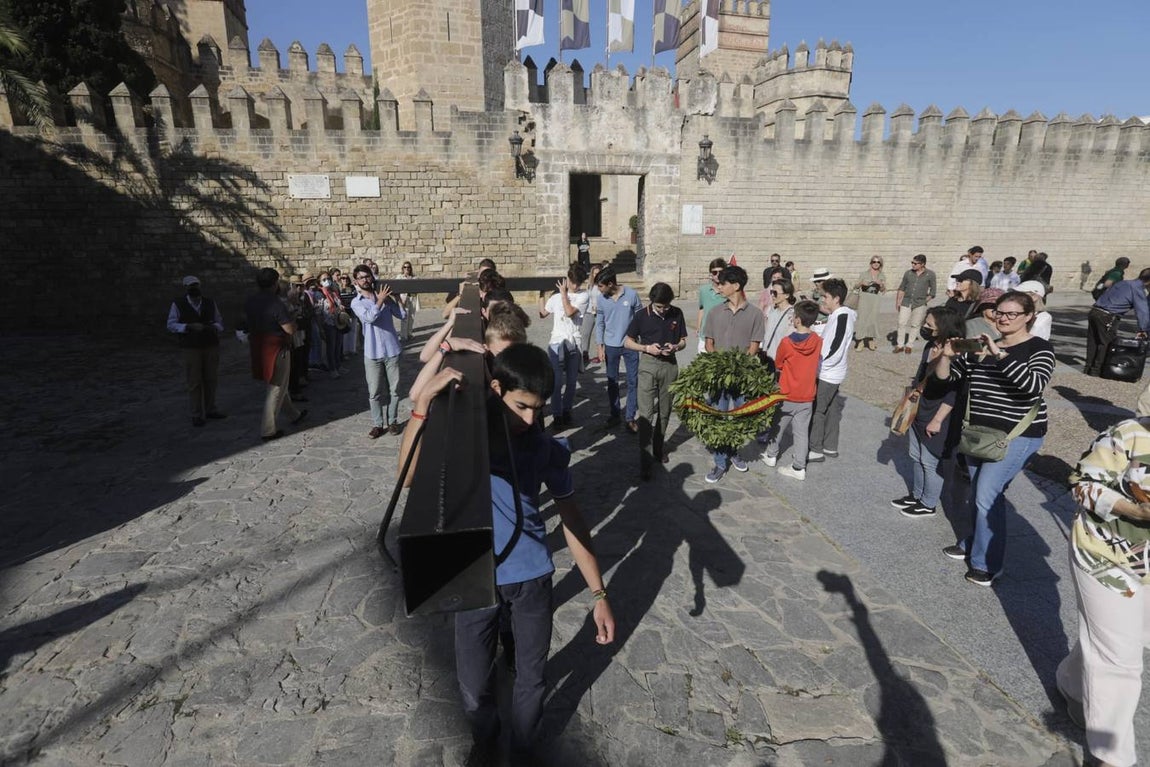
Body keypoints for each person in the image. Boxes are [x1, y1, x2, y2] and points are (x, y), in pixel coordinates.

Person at [398, 345, 615, 764]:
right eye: (521, 406)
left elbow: (572, 520)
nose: (531, 420)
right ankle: (485, 740)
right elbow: (407, 477)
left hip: (532, 579)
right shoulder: (464, 433)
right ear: (496, 389)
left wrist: (599, 595)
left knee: (532, 677)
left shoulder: (545, 448)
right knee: (473, 684)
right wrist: (423, 405)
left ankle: (519, 749)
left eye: (539, 409)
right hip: (474, 574)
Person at [935, 291, 1055, 585]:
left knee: (987, 494)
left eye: (1011, 314)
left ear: (1029, 317)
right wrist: (946, 357)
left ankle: (986, 563)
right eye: (999, 312)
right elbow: (947, 379)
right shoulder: (981, 346)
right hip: (980, 434)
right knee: (976, 492)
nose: (1003, 318)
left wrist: (999, 354)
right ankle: (973, 543)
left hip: (1018, 435)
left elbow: (1033, 386)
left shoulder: (1039, 349)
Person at [1056, 417, 1150, 767]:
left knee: (1120, 637)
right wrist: (1134, 509)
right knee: (1120, 660)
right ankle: (1112, 758)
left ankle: (1071, 682)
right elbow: (1080, 484)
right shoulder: (1130, 434)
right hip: (1104, 553)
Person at [890, 306, 965, 517]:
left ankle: (928, 503)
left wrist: (938, 420)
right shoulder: (930, 346)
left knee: (929, 461)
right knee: (916, 455)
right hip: (919, 409)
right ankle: (917, 495)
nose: (924, 327)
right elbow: (919, 375)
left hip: (938, 412)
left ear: (944, 327)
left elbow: (953, 392)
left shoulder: (958, 353)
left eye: (929, 325)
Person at [703, 265, 766, 483]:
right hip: (720, 377)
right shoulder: (714, 312)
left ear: (736, 286)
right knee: (720, 419)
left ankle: (735, 452)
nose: (718, 287)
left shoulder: (756, 314)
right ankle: (720, 462)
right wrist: (720, 365)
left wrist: (739, 369)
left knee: (739, 418)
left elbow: (754, 347)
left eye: (722, 283)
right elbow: (709, 343)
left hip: (741, 378)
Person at [624, 282, 687, 480]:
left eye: (666, 306)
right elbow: (627, 341)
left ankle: (659, 450)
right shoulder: (642, 315)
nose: (663, 310)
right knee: (646, 414)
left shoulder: (677, 313)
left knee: (665, 411)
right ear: (652, 303)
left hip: (669, 365)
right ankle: (645, 461)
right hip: (648, 365)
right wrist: (646, 348)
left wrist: (676, 346)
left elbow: (684, 340)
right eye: (660, 307)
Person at [761, 299, 822, 481]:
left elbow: (779, 363)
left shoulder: (787, 343)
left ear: (796, 320)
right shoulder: (817, 341)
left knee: (777, 425)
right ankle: (799, 467)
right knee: (802, 433)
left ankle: (771, 455)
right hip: (807, 394)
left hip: (787, 393)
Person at [243, 268, 306, 440]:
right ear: (275, 283)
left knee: (279, 383)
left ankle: (294, 414)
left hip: (258, 346)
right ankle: (268, 429)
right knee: (277, 387)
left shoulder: (251, 301)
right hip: (277, 347)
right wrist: (294, 321)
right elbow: (289, 329)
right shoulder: (276, 303)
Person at [350, 264, 406, 437]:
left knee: (394, 390)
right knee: (374, 392)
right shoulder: (356, 302)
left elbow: (402, 315)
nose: (365, 280)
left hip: (391, 349)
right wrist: (380, 300)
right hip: (372, 353)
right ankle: (378, 424)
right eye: (361, 277)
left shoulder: (384, 296)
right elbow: (369, 318)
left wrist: (397, 299)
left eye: (367, 276)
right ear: (356, 281)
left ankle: (393, 421)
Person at [167, 275, 225, 427]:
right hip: (191, 346)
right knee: (194, 380)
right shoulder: (178, 304)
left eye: (196, 286)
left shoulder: (209, 303)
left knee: (211, 378)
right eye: (191, 287)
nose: (194, 289)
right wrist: (187, 327)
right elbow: (171, 324)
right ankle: (196, 413)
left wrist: (211, 327)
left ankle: (211, 408)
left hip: (210, 344)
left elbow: (219, 322)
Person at [808, 278, 856, 462]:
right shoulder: (837, 316)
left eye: (826, 297)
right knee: (832, 408)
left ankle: (816, 449)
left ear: (836, 298)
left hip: (828, 373)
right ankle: (830, 446)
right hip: (831, 371)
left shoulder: (842, 317)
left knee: (818, 410)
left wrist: (820, 366)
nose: (823, 301)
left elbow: (836, 347)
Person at [538, 264, 589, 430]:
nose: (574, 286)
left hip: (573, 341)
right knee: (557, 382)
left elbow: (569, 312)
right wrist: (541, 294)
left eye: (577, 283)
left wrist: (563, 294)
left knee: (572, 381)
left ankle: (567, 410)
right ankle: (557, 414)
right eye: (572, 281)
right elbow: (543, 314)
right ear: (567, 278)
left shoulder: (584, 296)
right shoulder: (555, 297)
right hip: (557, 342)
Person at [594, 268, 643, 431]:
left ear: (610, 284)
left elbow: (640, 318)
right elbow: (599, 323)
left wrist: (639, 340)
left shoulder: (631, 295)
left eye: (601, 286)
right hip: (611, 346)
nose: (599, 290)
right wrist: (599, 346)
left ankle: (630, 417)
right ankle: (615, 414)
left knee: (633, 381)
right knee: (612, 381)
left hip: (630, 345)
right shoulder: (601, 300)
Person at [1084, 267, 1150, 376]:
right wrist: (1143, 329)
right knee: (1106, 343)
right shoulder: (1137, 289)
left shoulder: (1124, 283)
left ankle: (1089, 367)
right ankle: (1098, 370)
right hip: (1108, 315)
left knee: (1093, 341)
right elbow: (1142, 311)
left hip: (1095, 311)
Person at [893, 254, 937, 354]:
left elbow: (933, 291)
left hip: (920, 303)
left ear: (922, 264)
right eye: (912, 263)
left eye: (915, 263)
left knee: (915, 324)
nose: (913, 265)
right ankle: (900, 345)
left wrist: (925, 301)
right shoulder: (908, 273)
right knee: (901, 322)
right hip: (906, 301)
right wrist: (898, 301)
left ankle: (909, 345)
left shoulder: (930, 274)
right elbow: (902, 287)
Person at [852, 256, 886, 350]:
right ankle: (861, 342)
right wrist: (862, 283)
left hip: (875, 299)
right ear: (870, 263)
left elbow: (883, 290)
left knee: (873, 319)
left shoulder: (882, 275)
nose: (876, 263)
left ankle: (871, 340)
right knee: (862, 319)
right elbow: (855, 286)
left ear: (880, 264)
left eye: (878, 262)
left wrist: (881, 284)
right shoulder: (864, 274)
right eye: (874, 261)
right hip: (864, 298)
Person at [696, 258, 728, 353]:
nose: (717, 275)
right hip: (705, 336)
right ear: (710, 274)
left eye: (720, 272)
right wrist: (698, 327)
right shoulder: (703, 290)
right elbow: (702, 308)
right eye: (714, 272)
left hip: (723, 337)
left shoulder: (729, 291)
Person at [761, 278, 797, 361]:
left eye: (775, 293)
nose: (772, 295)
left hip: (782, 360)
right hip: (767, 358)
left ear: (787, 295)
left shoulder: (792, 314)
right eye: (771, 292)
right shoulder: (770, 310)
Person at [579, 262, 604, 365]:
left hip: (600, 313)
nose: (596, 275)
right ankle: (585, 354)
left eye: (598, 273)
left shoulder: (603, 286)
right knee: (585, 334)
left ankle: (601, 354)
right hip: (589, 312)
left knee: (600, 335)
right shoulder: (589, 285)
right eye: (594, 273)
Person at [395, 261, 420, 342]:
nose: (407, 269)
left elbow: (418, 287)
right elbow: (396, 287)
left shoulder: (414, 277)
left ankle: (409, 333)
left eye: (408, 267)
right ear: (403, 268)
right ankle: (403, 336)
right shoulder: (399, 277)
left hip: (412, 298)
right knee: (404, 316)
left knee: (411, 317)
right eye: (405, 267)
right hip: (403, 298)